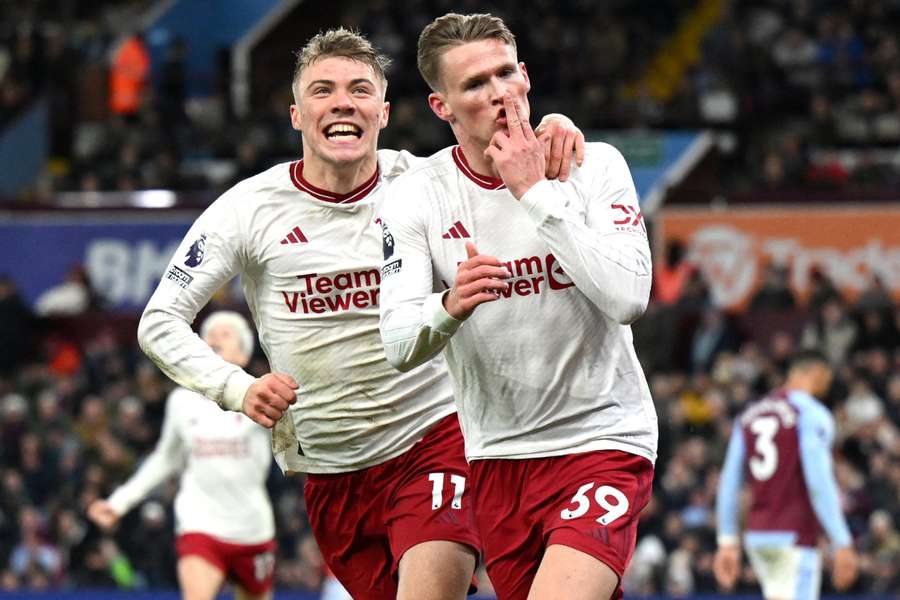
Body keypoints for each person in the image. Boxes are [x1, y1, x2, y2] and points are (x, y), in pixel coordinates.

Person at [137, 28, 584, 600]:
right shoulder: (248, 210)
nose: (343, 102)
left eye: (360, 90)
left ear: (384, 112)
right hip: (330, 467)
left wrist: (555, 127)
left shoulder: (424, 183)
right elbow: (160, 321)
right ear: (297, 115)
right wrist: (235, 387)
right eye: (323, 91)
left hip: (436, 438)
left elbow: (500, 159)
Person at [377, 13, 656, 600]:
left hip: (602, 439)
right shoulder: (416, 197)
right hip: (497, 455)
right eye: (476, 85)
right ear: (441, 108)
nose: (499, 93)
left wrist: (535, 195)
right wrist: (449, 306)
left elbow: (629, 298)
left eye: (507, 73)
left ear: (527, 76)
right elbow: (399, 342)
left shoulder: (592, 165)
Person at [88, 311, 276, 600]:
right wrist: (118, 503)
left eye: (225, 334)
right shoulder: (182, 401)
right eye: (209, 333)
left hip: (252, 529)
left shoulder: (265, 397)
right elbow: (165, 459)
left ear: (243, 353)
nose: (213, 337)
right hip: (200, 524)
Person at [713, 349, 859, 599]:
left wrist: (727, 540)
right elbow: (818, 481)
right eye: (827, 377)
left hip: (758, 535)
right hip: (794, 535)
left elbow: (729, 481)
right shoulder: (812, 414)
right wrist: (841, 540)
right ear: (817, 372)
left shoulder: (750, 413)